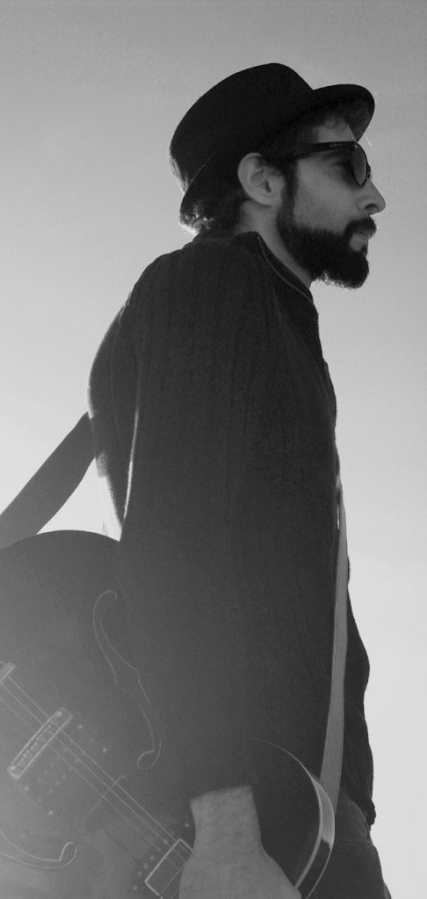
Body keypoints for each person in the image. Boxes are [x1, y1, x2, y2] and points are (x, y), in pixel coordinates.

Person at [87, 63, 390, 898]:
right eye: (349, 166)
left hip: (304, 810)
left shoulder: (273, 312)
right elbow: (175, 552)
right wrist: (224, 830)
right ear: (262, 180)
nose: (374, 196)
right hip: (249, 820)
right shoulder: (217, 283)